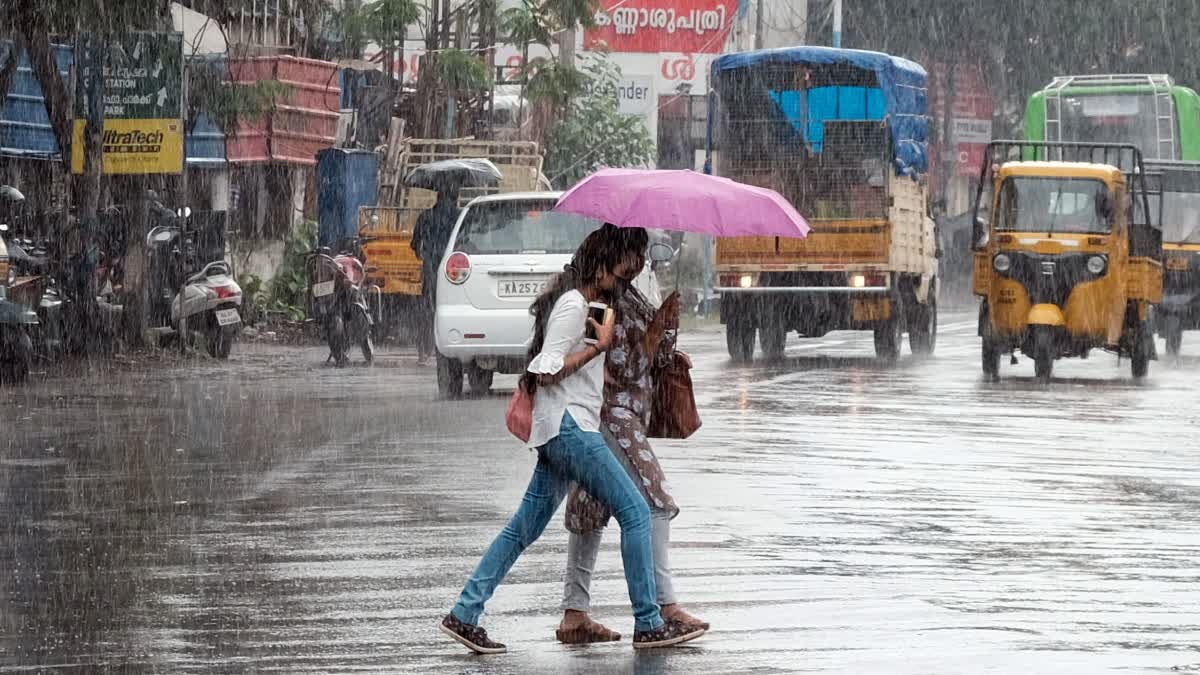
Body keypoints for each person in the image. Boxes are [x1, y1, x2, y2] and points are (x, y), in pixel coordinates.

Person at [439, 225, 706, 654]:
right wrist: (596, 348)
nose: (628, 275)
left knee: (520, 530)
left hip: (557, 431)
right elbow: (544, 370)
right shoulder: (573, 303)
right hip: (571, 428)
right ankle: (649, 622)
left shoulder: (588, 303)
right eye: (624, 266)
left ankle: (465, 614)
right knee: (637, 512)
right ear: (601, 260)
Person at [556, 228, 707, 644]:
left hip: (628, 415)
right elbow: (607, 364)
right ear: (612, 255)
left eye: (642, 253)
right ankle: (664, 606)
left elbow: (649, 357)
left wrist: (665, 327)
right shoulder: (600, 300)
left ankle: (574, 614)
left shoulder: (630, 294)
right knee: (655, 501)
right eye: (632, 253)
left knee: (588, 511)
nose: (639, 261)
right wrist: (654, 335)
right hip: (609, 416)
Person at [410, 187, 460, 365]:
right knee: (453, 308)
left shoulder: (426, 216)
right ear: (456, 197)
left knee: (427, 310)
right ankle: (450, 348)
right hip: (454, 270)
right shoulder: (460, 216)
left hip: (431, 268)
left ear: (437, 197)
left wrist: (424, 256)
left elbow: (415, 244)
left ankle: (424, 351)